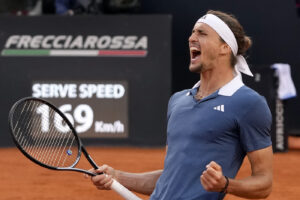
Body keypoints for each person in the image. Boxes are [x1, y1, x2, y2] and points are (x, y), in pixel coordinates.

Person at [85, 10, 273, 200]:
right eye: (192, 32)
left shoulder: (249, 103)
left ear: (224, 47)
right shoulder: (178, 101)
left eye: (202, 33)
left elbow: (264, 183)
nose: (191, 38)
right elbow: (171, 178)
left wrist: (225, 184)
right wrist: (117, 176)